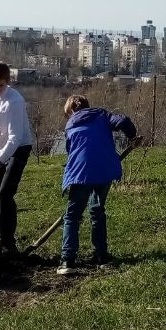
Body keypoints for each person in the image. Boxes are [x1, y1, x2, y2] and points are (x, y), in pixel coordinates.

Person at [57, 95, 140, 275]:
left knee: (72, 216)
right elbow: (123, 120)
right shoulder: (102, 115)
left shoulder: (70, 124)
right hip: (104, 169)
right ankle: (101, 256)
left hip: (81, 173)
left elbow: (71, 151)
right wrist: (132, 135)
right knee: (97, 210)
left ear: (70, 111)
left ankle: (67, 260)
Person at [0, 62, 33, 251]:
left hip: (19, 148)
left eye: (0, 85)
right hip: (0, 147)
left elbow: (15, 138)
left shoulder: (15, 101)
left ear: (7, 82)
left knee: (5, 193)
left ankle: (8, 240)